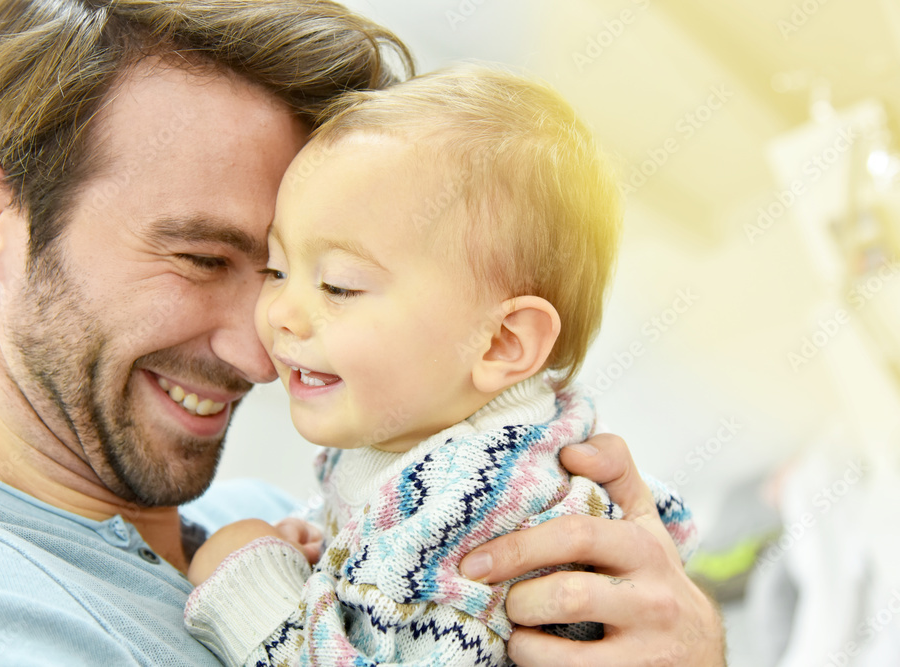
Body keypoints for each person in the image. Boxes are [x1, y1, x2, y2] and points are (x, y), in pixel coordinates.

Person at [0, 0, 724, 664]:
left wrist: (681, 640)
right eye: (197, 258)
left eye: (289, 273)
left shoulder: (311, 521)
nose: (264, 351)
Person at [180, 65, 698, 666]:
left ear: (502, 342)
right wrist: (327, 553)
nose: (280, 313)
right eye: (278, 269)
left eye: (339, 286)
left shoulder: (478, 523)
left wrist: (248, 587)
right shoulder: (425, 435)